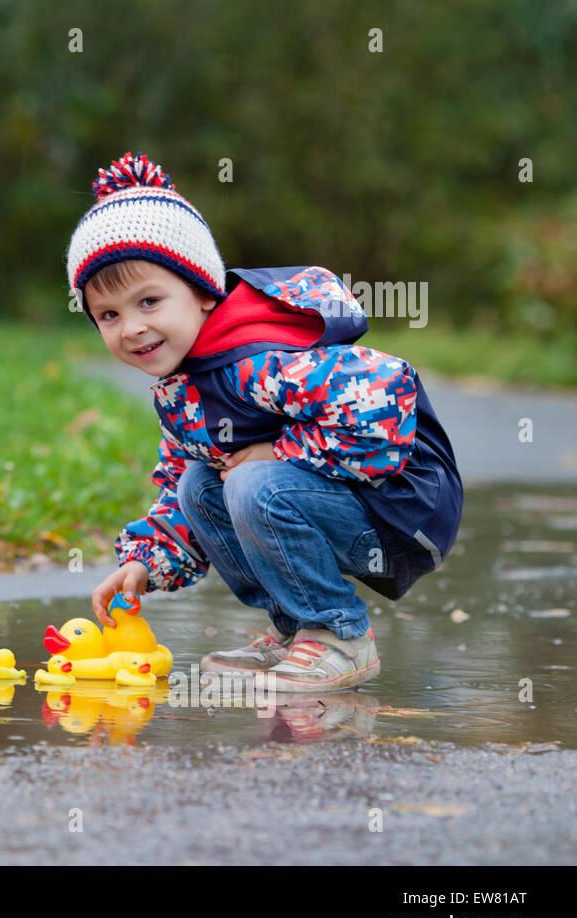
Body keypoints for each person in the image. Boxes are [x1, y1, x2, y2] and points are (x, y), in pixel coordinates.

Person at [64, 150, 462, 691]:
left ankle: (339, 635)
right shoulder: (183, 388)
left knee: (253, 481)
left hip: (401, 510)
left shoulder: (258, 357)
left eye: (150, 301)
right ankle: (300, 632)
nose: (131, 327)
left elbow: (387, 394)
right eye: (108, 315)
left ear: (204, 292)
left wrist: (281, 453)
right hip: (329, 501)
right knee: (199, 484)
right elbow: (179, 484)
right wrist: (147, 563)